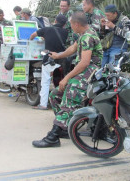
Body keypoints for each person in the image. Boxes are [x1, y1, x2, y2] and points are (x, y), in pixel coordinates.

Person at [32, 11, 103, 148]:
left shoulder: (88, 36)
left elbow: (84, 62)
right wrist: (58, 55)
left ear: (76, 24)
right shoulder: (84, 33)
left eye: (71, 24)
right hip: (84, 71)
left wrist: (66, 78)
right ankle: (65, 128)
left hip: (89, 73)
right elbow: (73, 48)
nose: (70, 27)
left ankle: (53, 136)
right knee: (55, 95)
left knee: (69, 97)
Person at [29, 14, 68, 110]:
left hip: (48, 59)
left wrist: (30, 42)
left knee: (45, 82)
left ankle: (43, 104)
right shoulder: (66, 32)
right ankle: (62, 104)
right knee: (60, 82)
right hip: (61, 60)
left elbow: (33, 35)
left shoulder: (46, 29)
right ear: (64, 24)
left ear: (55, 20)